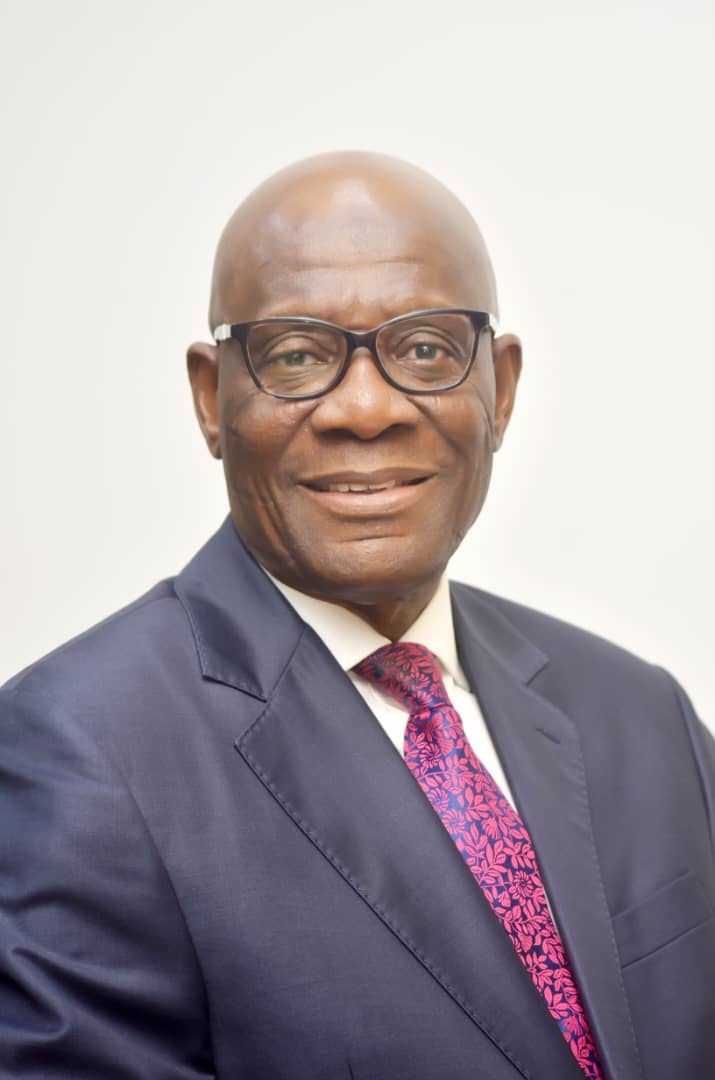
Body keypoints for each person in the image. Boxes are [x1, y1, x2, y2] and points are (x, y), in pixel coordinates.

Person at [0, 152, 713, 1080]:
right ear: (212, 398)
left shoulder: (640, 713)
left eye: (425, 349)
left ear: (499, 388)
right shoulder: (79, 753)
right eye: (295, 355)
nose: (366, 410)